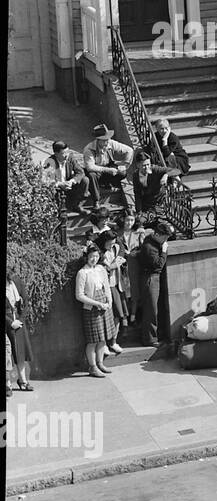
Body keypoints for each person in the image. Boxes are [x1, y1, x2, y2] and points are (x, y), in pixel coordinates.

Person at [75, 244, 115, 377]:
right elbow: (79, 295)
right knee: (93, 340)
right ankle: (92, 367)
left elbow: (107, 287)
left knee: (102, 338)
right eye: (91, 256)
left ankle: (100, 363)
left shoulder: (101, 269)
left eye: (97, 256)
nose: (94, 259)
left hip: (104, 306)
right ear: (86, 257)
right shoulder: (82, 273)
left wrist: (109, 301)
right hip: (91, 308)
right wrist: (97, 303)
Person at [82, 123, 135, 217]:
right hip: (96, 171)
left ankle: (107, 184)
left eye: (108, 139)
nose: (107, 142)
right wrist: (107, 170)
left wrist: (125, 164)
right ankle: (96, 200)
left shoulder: (110, 143)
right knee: (91, 175)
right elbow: (90, 167)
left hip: (107, 169)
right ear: (98, 140)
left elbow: (129, 150)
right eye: (104, 140)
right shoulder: (89, 149)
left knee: (122, 173)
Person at [137, 221, 173, 349]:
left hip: (153, 278)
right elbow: (158, 265)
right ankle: (150, 339)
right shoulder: (149, 247)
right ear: (157, 235)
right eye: (164, 237)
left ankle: (155, 334)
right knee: (151, 310)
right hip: (150, 278)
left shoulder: (152, 240)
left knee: (154, 308)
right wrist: (163, 252)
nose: (166, 240)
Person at [99, 232, 129, 355]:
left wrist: (120, 261)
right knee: (106, 317)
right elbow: (99, 269)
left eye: (113, 242)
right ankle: (104, 344)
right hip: (106, 286)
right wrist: (112, 266)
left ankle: (113, 341)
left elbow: (122, 249)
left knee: (118, 315)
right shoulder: (99, 253)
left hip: (118, 284)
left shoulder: (116, 247)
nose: (112, 244)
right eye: (109, 242)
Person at [129, 148, 183, 217]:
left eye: (148, 164)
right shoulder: (136, 175)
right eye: (144, 165)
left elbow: (177, 171)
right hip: (146, 202)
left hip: (159, 201)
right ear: (138, 165)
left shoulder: (155, 169)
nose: (147, 167)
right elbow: (137, 194)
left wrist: (166, 175)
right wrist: (139, 211)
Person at [41, 141, 92, 214]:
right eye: (63, 153)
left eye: (67, 152)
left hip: (69, 186)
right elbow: (45, 180)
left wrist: (72, 181)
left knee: (85, 180)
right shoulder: (49, 162)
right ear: (56, 154)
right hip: (57, 189)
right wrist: (60, 184)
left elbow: (80, 172)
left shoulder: (70, 158)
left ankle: (77, 205)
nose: (66, 155)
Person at [6, 269, 35, 392]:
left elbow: (26, 301)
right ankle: (7, 384)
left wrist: (20, 319)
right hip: (7, 321)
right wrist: (10, 322)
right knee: (6, 354)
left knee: (20, 352)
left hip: (18, 321)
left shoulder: (16, 280)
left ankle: (23, 380)